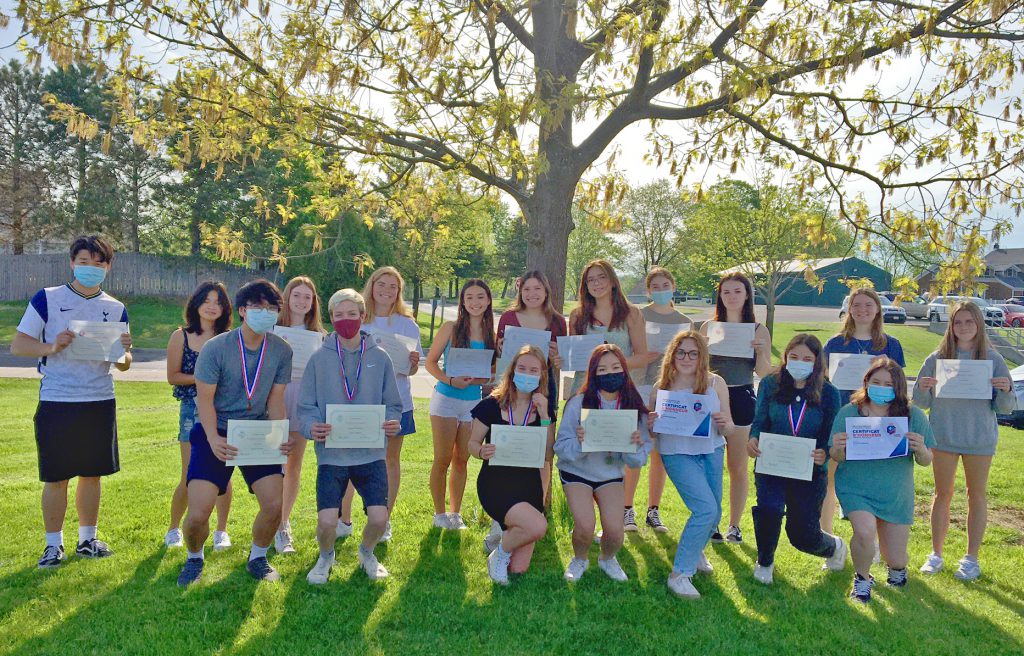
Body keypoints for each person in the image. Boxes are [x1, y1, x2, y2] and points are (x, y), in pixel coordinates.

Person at [12, 235, 133, 568]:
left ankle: (87, 539)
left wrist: (124, 351)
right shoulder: (47, 299)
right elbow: (19, 345)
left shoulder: (115, 307)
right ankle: (54, 545)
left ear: (108, 267)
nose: (91, 268)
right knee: (56, 477)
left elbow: (122, 362)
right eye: (83, 261)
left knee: (92, 474)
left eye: (98, 263)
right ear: (71, 262)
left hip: (99, 399)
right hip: (58, 399)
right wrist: (52, 347)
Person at [177, 279, 294, 587]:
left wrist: (280, 434)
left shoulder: (281, 350)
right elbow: (204, 399)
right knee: (198, 514)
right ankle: (194, 558)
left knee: (273, 506)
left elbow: (276, 399)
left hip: (257, 432)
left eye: (272, 308)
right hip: (216, 430)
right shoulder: (217, 348)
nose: (265, 313)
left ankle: (257, 557)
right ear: (242, 310)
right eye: (258, 307)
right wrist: (214, 438)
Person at [298, 289, 403, 584]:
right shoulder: (318, 359)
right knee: (327, 522)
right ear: (331, 319)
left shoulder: (380, 358)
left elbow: (393, 404)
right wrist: (311, 427)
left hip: (371, 454)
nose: (346, 320)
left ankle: (367, 552)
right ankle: (326, 555)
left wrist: (391, 422)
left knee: (379, 519)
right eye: (339, 315)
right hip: (332, 455)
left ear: (363, 316)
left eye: (352, 314)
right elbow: (306, 407)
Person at [913, 301, 1014, 582]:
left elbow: (1005, 407)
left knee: (976, 495)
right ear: (951, 326)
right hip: (944, 434)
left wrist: (1005, 389)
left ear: (979, 325)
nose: (964, 327)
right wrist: (922, 388)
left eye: (970, 322)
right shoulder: (937, 358)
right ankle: (936, 554)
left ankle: (971, 559)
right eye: (958, 322)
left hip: (978, 437)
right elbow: (920, 403)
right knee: (941, 494)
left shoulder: (993, 360)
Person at [830, 357, 935, 603]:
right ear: (866, 382)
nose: (881, 387)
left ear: (898, 387)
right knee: (864, 533)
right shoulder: (848, 413)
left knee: (896, 558)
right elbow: (836, 456)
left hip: (895, 492)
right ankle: (862, 579)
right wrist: (837, 448)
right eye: (876, 382)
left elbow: (926, 460)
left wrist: (920, 449)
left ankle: (897, 569)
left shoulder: (913, 415)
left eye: (888, 384)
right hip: (856, 488)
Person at [747, 334, 847, 586]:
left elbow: (829, 433)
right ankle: (765, 561)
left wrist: (824, 452)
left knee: (802, 535)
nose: (799, 362)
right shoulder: (770, 384)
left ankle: (834, 547)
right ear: (785, 357)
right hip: (772, 464)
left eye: (806, 358)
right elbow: (760, 420)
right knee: (769, 508)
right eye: (793, 357)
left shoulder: (829, 392)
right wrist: (754, 439)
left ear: (817, 362)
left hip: (809, 471)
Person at [333, 266, 424, 543]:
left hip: (396, 403)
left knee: (389, 462)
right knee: (351, 461)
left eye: (393, 287)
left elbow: (411, 372)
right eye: (381, 284)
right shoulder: (358, 320)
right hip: (358, 403)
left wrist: (411, 365)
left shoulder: (408, 324)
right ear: (371, 286)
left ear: (399, 292)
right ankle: (343, 520)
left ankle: (383, 521)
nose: (386, 290)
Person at [647, 330, 735, 599]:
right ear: (672, 356)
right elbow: (653, 433)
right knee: (705, 509)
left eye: (693, 353)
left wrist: (724, 424)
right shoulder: (661, 388)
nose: (686, 358)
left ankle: (695, 551)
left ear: (702, 357)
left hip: (711, 450)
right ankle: (680, 574)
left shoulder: (715, 383)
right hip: (677, 453)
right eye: (681, 352)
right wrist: (651, 425)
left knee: (715, 511)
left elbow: (730, 428)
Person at [554, 344, 652, 583]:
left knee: (616, 531)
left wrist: (635, 445)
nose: (610, 374)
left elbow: (640, 459)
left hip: (610, 474)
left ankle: (607, 559)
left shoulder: (633, 406)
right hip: (577, 472)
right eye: (602, 369)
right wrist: (579, 443)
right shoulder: (578, 403)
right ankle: (580, 559)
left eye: (616, 367)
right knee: (586, 527)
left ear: (624, 370)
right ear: (593, 373)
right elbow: (560, 449)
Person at [821, 287, 906, 536]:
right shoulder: (835, 344)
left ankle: (874, 541)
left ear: (878, 309)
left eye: (868, 305)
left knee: (873, 482)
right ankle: (828, 539)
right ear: (849, 310)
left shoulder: (891, 345)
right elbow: (823, 382)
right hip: (841, 416)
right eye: (856, 305)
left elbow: (899, 387)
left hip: (877, 422)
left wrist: (883, 367)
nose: (862, 310)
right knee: (830, 477)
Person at [493, 270, 566, 548]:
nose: (532, 294)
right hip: (513, 389)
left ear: (546, 291)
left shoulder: (558, 321)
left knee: (543, 452)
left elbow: (561, 361)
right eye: (527, 289)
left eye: (537, 289)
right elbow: (501, 355)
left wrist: (557, 357)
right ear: (520, 291)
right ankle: (502, 512)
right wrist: (501, 347)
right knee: (507, 447)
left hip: (545, 388)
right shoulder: (508, 318)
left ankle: (536, 505)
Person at [469, 345, 551, 585]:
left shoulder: (543, 410)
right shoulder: (491, 405)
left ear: (541, 375)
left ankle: (506, 539)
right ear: (512, 370)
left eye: (533, 369)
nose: (527, 373)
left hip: (528, 485)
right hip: (496, 484)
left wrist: (545, 414)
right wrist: (481, 451)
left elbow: (547, 454)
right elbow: (471, 444)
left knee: (519, 569)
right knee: (537, 527)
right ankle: (499, 554)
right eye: (522, 367)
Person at [700, 272, 772, 544]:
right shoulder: (708, 327)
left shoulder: (757, 329)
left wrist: (762, 352)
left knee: (738, 467)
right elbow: (696, 368)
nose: (731, 296)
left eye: (737, 291)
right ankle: (711, 522)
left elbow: (765, 373)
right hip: (710, 398)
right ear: (720, 295)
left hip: (741, 398)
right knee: (711, 465)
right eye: (726, 291)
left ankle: (734, 525)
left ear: (747, 295)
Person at [165, 281, 234, 551]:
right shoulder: (180, 336)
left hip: (225, 411)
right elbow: (173, 377)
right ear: (196, 303)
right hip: (191, 411)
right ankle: (173, 529)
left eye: (218, 301)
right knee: (189, 474)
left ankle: (221, 531)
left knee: (223, 476)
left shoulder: (230, 339)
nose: (212, 306)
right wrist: (206, 379)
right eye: (207, 300)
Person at [626, 267, 694, 534]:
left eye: (666, 284)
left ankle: (653, 510)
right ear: (648, 290)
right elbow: (631, 349)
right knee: (635, 448)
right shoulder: (638, 315)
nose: (661, 289)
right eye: (656, 286)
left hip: (670, 391)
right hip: (641, 386)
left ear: (673, 286)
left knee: (660, 453)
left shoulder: (685, 321)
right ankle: (626, 509)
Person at [424, 279, 496, 530]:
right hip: (445, 400)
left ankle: (456, 513)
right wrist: (450, 380)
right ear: (463, 302)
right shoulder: (450, 328)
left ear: (488, 301)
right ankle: (439, 514)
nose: (475, 302)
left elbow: (491, 373)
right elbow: (430, 363)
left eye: (480, 297)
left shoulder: (491, 335)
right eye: (469, 298)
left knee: (462, 460)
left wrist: (477, 379)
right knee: (442, 458)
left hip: (472, 403)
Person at [274, 276, 327, 555]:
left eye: (308, 297)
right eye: (297, 295)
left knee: (293, 465)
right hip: (274, 399)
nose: (302, 301)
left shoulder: (321, 335)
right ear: (287, 298)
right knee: (273, 465)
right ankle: (269, 520)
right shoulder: (270, 328)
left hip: (304, 400)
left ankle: (283, 524)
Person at [567, 260, 652, 399]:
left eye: (602, 277)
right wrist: (561, 358)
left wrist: (607, 365)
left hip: (619, 389)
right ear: (585, 286)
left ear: (613, 281)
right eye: (591, 279)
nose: (597, 283)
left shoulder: (631, 313)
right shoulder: (577, 316)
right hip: (584, 389)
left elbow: (642, 359)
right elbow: (574, 358)